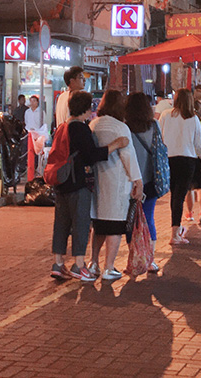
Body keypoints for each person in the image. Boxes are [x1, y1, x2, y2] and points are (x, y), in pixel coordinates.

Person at [49, 91, 126, 281]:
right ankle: (79, 265)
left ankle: (58, 263)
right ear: (86, 108)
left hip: (61, 183)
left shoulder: (62, 127)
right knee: (81, 224)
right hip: (78, 183)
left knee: (61, 224)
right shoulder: (81, 129)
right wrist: (115, 145)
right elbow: (91, 155)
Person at [89, 91, 143, 281]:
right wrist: (137, 180)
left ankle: (93, 263)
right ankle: (108, 267)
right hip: (117, 182)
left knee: (99, 225)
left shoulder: (93, 124)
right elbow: (128, 157)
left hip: (97, 182)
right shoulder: (121, 127)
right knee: (115, 226)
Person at [158, 89, 201, 246]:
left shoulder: (166, 115)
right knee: (180, 195)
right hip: (187, 161)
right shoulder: (193, 118)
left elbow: (159, 137)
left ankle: (176, 229)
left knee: (175, 195)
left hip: (169, 159)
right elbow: (200, 143)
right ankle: (175, 233)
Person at [125, 92, 162, 273]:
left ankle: (135, 258)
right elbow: (160, 148)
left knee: (131, 220)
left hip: (130, 181)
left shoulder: (125, 127)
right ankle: (150, 259)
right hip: (150, 179)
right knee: (149, 218)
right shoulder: (154, 125)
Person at [54, 66, 87, 130]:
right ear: (72, 81)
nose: (84, 80)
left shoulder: (62, 96)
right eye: (80, 77)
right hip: (71, 134)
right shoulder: (74, 97)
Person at [24, 95, 48, 176]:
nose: (32, 102)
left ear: (37, 102)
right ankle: (30, 168)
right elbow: (26, 122)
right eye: (31, 101)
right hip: (29, 134)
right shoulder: (27, 112)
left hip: (38, 134)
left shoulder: (41, 112)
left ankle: (38, 168)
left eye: (34, 101)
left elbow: (44, 123)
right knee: (29, 151)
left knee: (38, 152)